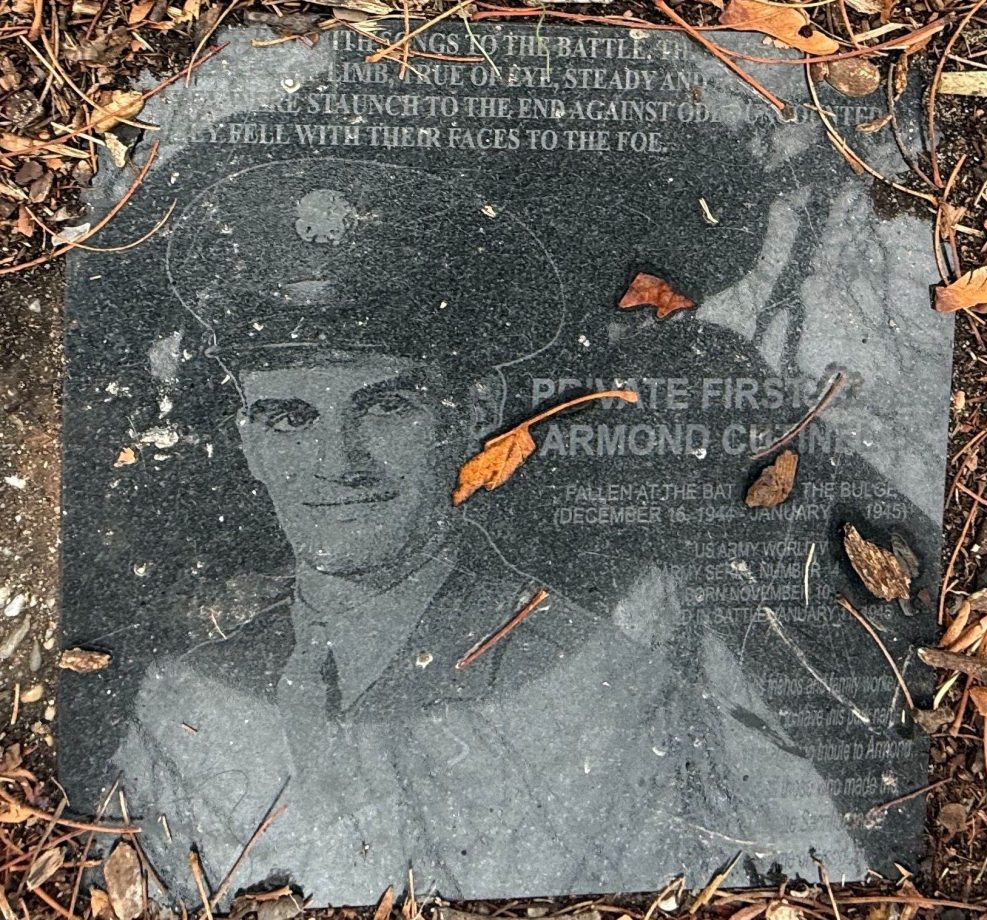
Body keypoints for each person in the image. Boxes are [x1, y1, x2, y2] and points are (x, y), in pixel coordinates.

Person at [114, 158, 883, 905]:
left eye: (387, 407)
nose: (336, 464)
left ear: (475, 414)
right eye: (289, 417)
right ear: (248, 439)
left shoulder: (603, 688)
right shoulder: (186, 700)